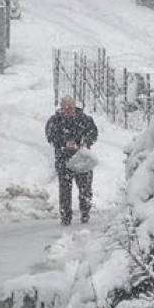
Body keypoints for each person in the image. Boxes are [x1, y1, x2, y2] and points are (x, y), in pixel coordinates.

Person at [45, 96, 98, 225]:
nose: (68, 110)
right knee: (64, 190)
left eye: (70, 107)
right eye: (65, 108)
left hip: (82, 160)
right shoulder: (55, 121)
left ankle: (85, 212)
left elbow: (93, 134)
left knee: (85, 188)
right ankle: (65, 216)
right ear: (61, 108)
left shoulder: (85, 120)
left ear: (75, 107)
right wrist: (63, 144)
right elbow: (50, 136)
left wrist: (83, 142)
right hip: (64, 160)